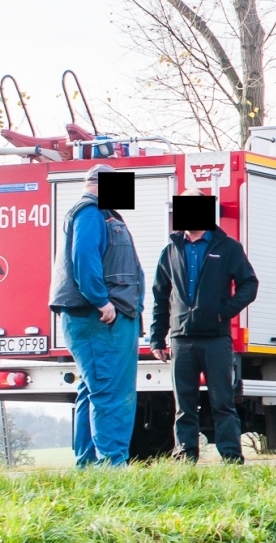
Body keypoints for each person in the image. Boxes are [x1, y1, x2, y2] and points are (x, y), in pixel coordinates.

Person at [49, 164, 145, 466]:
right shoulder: (90, 213)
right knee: (111, 393)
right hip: (99, 320)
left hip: (105, 319)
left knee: (93, 392)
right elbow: (85, 258)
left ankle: (89, 465)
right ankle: (112, 468)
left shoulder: (101, 213)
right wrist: (102, 301)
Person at [150, 214, 259, 463]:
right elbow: (160, 297)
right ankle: (185, 457)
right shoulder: (170, 251)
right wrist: (157, 337)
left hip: (216, 339)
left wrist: (224, 311)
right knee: (183, 405)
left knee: (223, 401)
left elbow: (249, 284)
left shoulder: (228, 247)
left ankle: (231, 458)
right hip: (182, 339)